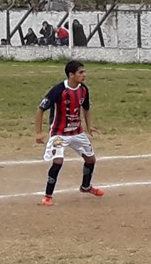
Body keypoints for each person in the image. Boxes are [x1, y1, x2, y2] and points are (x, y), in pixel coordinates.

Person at [34, 60, 103, 206]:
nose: (84, 75)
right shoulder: (59, 90)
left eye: (84, 72)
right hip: (59, 133)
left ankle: (86, 186)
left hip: (77, 132)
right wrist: (38, 132)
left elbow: (86, 108)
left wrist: (89, 126)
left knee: (91, 159)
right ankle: (48, 196)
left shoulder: (83, 89)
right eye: (81, 72)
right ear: (71, 75)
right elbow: (40, 109)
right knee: (58, 161)